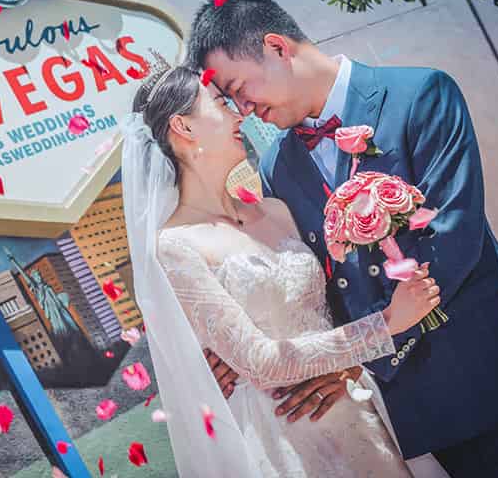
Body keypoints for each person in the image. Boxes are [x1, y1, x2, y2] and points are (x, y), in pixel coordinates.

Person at [185, 0, 498, 478]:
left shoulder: (421, 94)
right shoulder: (279, 166)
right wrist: (242, 348)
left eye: (240, 88)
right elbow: (313, 281)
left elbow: (453, 235)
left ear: (278, 48)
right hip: (423, 406)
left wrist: (367, 349)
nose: (242, 108)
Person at [121, 60, 443, 477]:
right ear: (183, 128)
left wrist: (352, 363)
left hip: (359, 402)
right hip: (290, 433)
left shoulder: (274, 210)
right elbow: (259, 362)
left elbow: (330, 308)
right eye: (221, 103)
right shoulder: (177, 244)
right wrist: (386, 324)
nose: (239, 114)